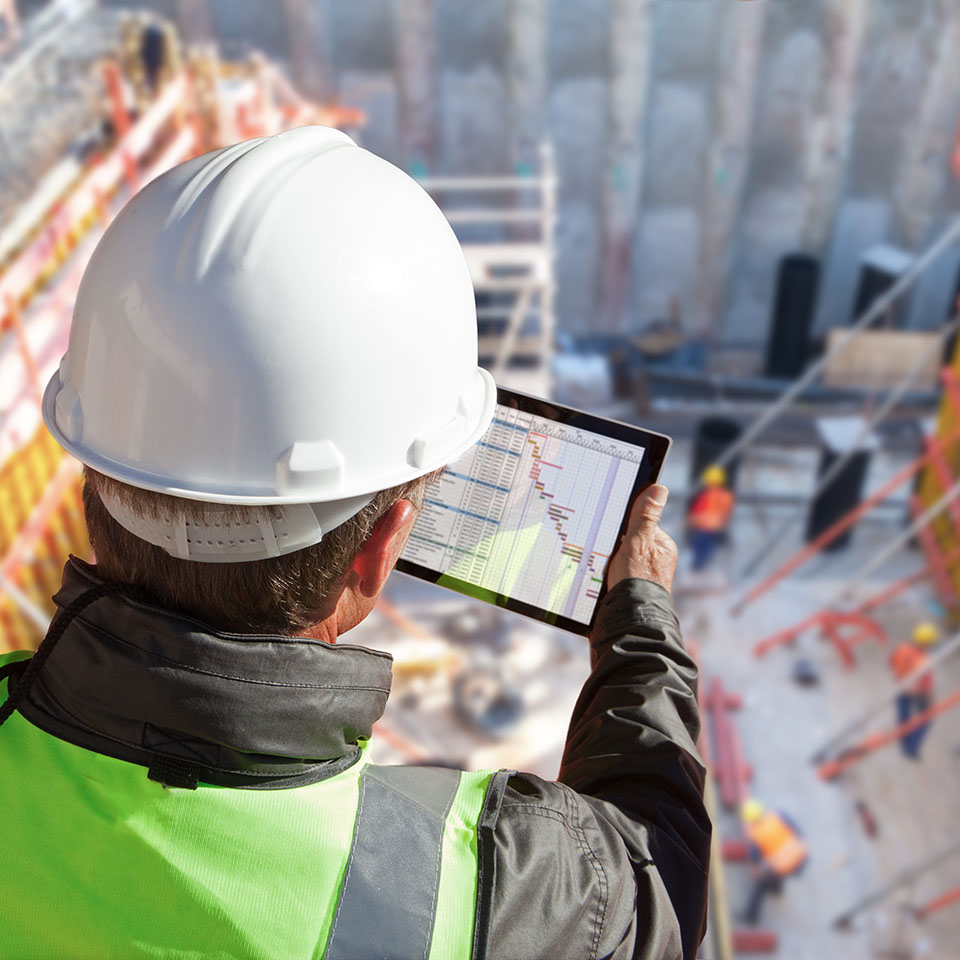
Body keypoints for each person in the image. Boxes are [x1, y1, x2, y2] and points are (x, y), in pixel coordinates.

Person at [0, 127, 710, 959]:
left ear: (95, 472)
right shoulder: (497, 886)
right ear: (376, 553)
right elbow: (656, 875)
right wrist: (639, 625)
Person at [740, 798, 808, 926]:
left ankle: (750, 916)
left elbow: (755, 858)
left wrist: (755, 870)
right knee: (776, 874)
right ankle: (777, 890)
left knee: (760, 885)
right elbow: (797, 830)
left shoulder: (756, 834)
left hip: (784, 864)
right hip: (800, 856)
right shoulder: (778, 816)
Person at [889, 621, 938, 760]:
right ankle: (911, 748)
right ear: (927, 642)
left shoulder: (902, 648)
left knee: (903, 715)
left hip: (900, 687)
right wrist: (931, 702)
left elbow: (891, 662)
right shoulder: (923, 661)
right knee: (926, 719)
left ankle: (902, 739)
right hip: (916, 692)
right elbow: (927, 685)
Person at [687, 464, 735, 571]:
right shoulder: (727, 496)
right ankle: (701, 570)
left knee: (700, 552)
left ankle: (698, 571)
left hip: (703, 527)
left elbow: (698, 510)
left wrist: (690, 520)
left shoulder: (707, 495)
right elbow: (727, 513)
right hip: (715, 528)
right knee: (708, 551)